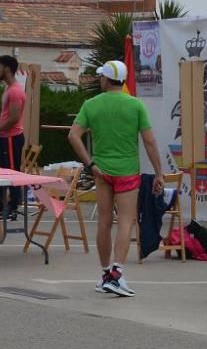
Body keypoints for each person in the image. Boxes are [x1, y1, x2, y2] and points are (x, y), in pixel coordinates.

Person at [69, 60, 165, 298]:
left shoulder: (91, 105)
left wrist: (90, 164)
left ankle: (104, 275)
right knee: (126, 221)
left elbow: (73, 135)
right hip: (128, 171)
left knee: (103, 222)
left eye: (101, 76)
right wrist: (159, 172)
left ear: (106, 79)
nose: (99, 79)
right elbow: (150, 141)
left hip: (102, 171)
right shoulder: (135, 105)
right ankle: (117, 273)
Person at [0, 55, 26, 220]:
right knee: (2, 173)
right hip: (5, 136)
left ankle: (12, 207)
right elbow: (5, 116)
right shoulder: (8, 89)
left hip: (11, 138)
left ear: (7, 69)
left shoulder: (15, 91)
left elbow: (14, 118)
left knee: (10, 173)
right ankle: (1, 206)